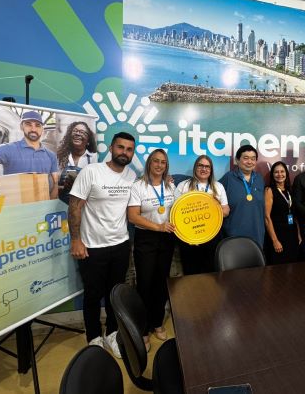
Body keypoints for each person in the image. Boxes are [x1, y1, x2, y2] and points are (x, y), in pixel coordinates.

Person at [68, 131, 136, 358]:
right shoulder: (92, 171)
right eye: (120, 147)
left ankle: (112, 334)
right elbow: (75, 206)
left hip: (120, 245)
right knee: (92, 294)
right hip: (92, 246)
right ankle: (94, 337)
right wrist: (76, 240)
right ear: (111, 148)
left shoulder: (131, 175)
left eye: (129, 149)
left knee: (115, 294)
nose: (124, 152)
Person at [128, 149, 176, 350]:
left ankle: (157, 322)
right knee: (145, 284)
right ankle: (143, 329)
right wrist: (157, 227)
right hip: (146, 239)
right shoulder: (138, 186)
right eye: (155, 161)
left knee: (161, 283)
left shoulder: (170, 186)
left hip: (167, 239)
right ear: (149, 163)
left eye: (163, 162)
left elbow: (179, 210)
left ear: (166, 166)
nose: (159, 165)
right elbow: (133, 216)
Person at [174, 155, 230, 274]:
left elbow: (226, 211)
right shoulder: (183, 185)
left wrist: (214, 207)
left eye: (207, 166)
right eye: (200, 165)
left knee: (210, 273)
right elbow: (175, 212)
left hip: (212, 236)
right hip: (188, 237)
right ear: (195, 167)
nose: (204, 169)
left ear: (211, 170)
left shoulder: (218, 186)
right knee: (190, 273)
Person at [0, 110, 58, 199]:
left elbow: (56, 183)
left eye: (37, 125)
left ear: (42, 129)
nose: (33, 129)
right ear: (21, 127)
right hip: (15, 205)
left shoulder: (51, 156)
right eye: (28, 124)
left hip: (42, 204)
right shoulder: (7, 149)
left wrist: (49, 202)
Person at [219, 144, 265, 248]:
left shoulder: (259, 179)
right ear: (237, 160)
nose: (250, 162)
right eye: (246, 158)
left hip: (257, 237)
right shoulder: (228, 178)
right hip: (233, 237)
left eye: (253, 159)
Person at [264, 161, 301, 265]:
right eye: (276, 172)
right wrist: (275, 240)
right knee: (277, 268)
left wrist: (298, 234)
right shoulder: (269, 190)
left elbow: (294, 215)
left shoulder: (290, 190)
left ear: (286, 173)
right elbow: (267, 217)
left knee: (292, 266)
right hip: (277, 234)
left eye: (282, 171)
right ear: (272, 174)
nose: (279, 174)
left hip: (292, 235)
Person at [56, 121, 97, 203]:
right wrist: (63, 187)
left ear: (88, 141)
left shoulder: (94, 158)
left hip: (84, 205)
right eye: (75, 131)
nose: (78, 133)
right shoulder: (58, 158)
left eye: (82, 132)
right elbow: (51, 186)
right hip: (61, 205)